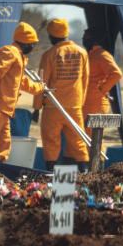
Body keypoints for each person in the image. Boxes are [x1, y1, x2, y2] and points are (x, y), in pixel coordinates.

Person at [0, 22, 45, 161]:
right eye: (32, 43)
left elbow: (21, 82)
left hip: (4, 110)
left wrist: (40, 87)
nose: (33, 47)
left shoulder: (18, 56)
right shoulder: (10, 52)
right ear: (25, 43)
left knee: (2, 147)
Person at [32, 18, 90, 171]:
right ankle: (85, 175)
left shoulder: (50, 54)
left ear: (52, 36)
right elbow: (85, 80)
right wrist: (80, 103)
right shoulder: (82, 52)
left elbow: (41, 83)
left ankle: (50, 174)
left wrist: (37, 107)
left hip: (53, 107)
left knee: (51, 143)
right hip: (74, 106)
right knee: (78, 142)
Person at [81, 28, 123, 137]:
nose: (83, 40)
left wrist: (102, 89)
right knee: (85, 139)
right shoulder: (89, 55)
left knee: (94, 141)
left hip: (97, 104)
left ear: (93, 39)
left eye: (85, 37)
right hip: (87, 103)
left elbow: (116, 74)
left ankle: (98, 155)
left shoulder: (102, 54)